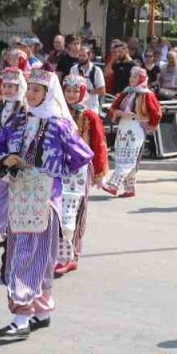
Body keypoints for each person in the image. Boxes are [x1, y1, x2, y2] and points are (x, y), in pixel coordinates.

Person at [0, 70, 93, 337]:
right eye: (30, 89)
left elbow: (82, 154)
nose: (31, 95)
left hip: (45, 197)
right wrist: (6, 161)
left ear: (48, 94)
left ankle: (20, 318)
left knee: (28, 254)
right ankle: (42, 312)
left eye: (37, 91)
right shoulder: (19, 120)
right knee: (30, 254)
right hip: (20, 192)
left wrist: (55, 169)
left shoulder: (59, 124)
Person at [55, 74, 109, 276]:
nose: (71, 95)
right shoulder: (56, 112)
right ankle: (59, 252)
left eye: (75, 91)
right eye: (68, 90)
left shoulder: (89, 116)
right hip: (58, 168)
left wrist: (100, 170)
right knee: (58, 210)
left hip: (81, 170)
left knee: (75, 211)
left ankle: (72, 255)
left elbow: (99, 143)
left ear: (83, 92)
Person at [103, 66, 161, 197]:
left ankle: (113, 184)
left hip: (137, 126)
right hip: (124, 124)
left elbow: (156, 112)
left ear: (142, 78)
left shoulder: (147, 94)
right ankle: (130, 188)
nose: (132, 79)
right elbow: (114, 107)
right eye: (131, 76)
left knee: (128, 155)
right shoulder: (127, 92)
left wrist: (151, 126)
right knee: (123, 154)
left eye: (135, 77)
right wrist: (118, 112)